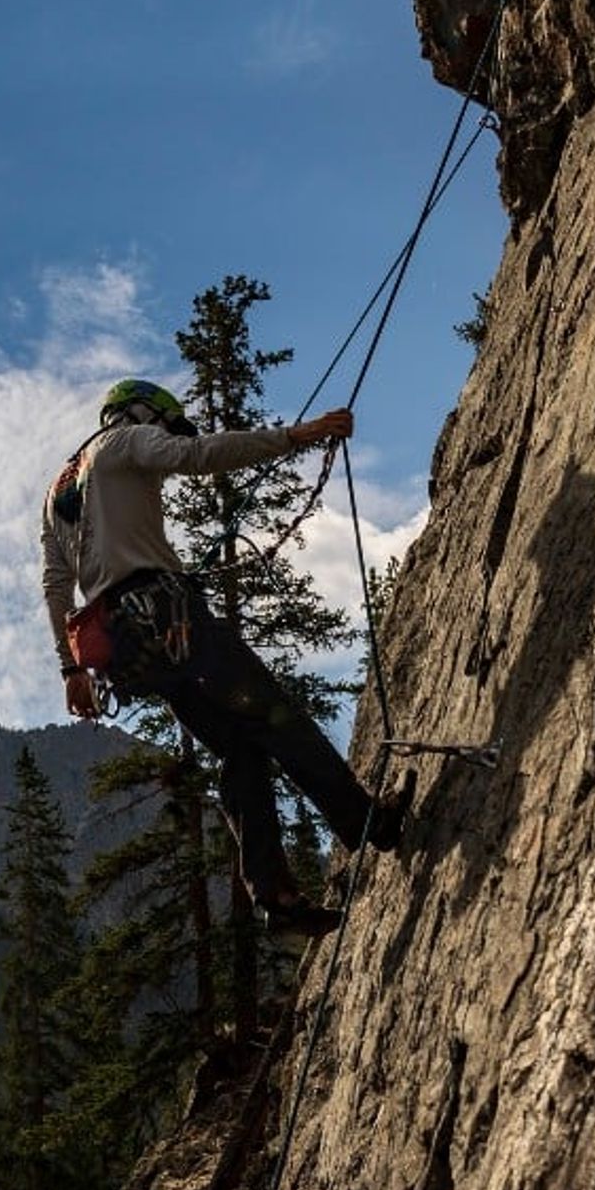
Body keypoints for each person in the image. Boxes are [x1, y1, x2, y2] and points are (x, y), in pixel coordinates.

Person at [40, 378, 412, 936]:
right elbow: (196, 456)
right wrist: (298, 436)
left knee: (239, 750)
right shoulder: (122, 442)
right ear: (141, 412)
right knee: (273, 715)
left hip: (129, 652)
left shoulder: (57, 494)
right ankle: (364, 823)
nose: (163, 435)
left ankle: (277, 897)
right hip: (168, 619)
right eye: (163, 423)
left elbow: (55, 585)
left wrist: (71, 669)